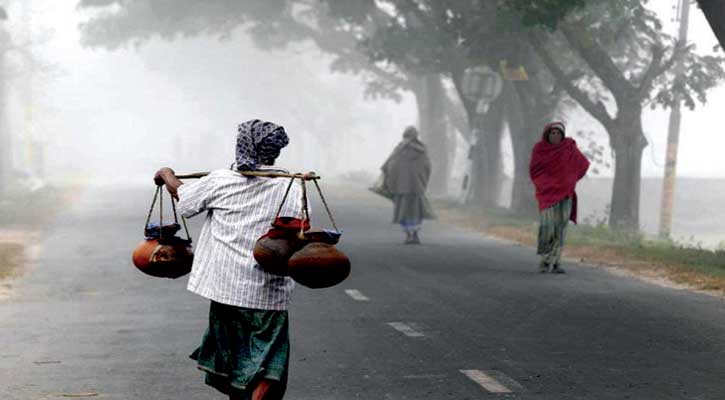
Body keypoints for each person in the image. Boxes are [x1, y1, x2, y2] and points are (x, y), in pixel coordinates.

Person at [153, 119, 303, 400]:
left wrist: (166, 173)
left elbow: (184, 198)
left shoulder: (221, 180)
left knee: (234, 355)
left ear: (242, 145)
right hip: (267, 289)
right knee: (268, 355)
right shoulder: (290, 185)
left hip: (226, 287)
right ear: (275, 151)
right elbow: (298, 229)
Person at [529, 122, 590, 274]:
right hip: (547, 194)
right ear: (547, 134)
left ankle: (555, 262)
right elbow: (535, 171)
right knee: (547, 226)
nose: (555, 135)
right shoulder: (540, 149)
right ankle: (545, 259)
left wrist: (571, 179)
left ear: (562, 135)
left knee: (560, 228)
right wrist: (545, 184)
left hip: (565, 194)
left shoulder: (569, 147)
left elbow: (583, 164)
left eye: (558, 133)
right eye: (552, 133)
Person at [381, 126, 435, 244]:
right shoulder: (422, 150)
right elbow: (427, 168)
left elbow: (388, 166)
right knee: (416, 212)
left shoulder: (400, 149)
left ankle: (408, 235)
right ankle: (415, 235)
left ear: (405, 136)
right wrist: (422, 181)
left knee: (404, 212)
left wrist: (391, 182)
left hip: (402, 188)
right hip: (417, 187)